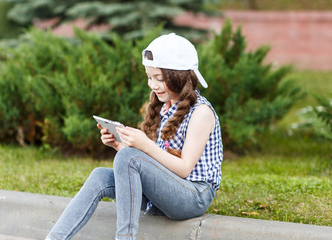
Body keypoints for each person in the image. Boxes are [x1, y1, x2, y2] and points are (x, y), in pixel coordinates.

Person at [45, 33, 223, 240]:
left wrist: (143, 146)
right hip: (170, 188)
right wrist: (120, 146)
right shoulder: (166, 108)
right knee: (100, 176)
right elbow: (150, 163)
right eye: (149, 77)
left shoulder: (201, 112)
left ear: (180, 76)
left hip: (194, 196)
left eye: (159, 78)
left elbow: (184, 169)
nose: (153, 85)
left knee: (129, 157)